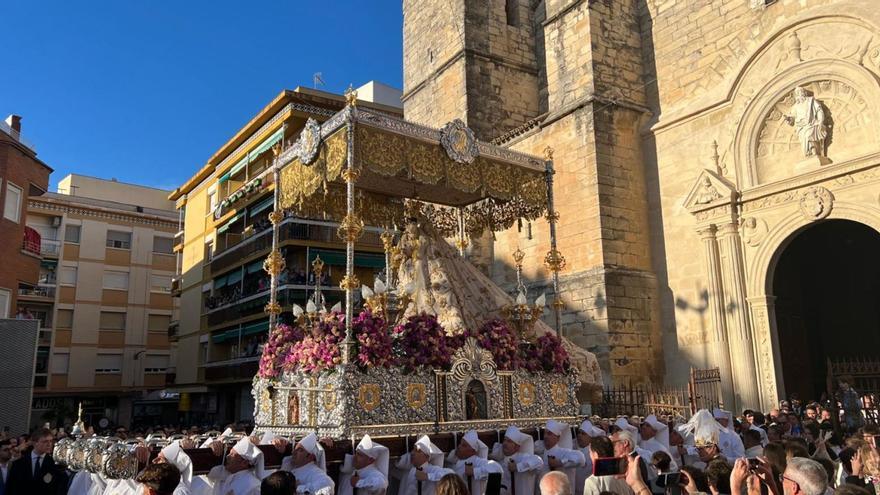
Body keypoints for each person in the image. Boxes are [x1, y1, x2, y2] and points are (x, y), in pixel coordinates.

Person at [6, 428, 68, 495]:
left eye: (51, 441)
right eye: (45, 441)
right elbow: (11, 488)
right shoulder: (18, 464)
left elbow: (59, 489)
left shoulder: (55, 465)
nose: (49, 444)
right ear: (35, 443)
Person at [536, 420, 585, 491]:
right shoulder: (540, 453)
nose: (546, 436)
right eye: (545, 433)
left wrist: (559, 462)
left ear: (558, 437)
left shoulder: (563, 452)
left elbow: (581, 459)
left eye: (549, 434)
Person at [450, 430, 502, 495]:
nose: (459, 447)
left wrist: (474, 471)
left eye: (464, 445)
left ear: (473, 451)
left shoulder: (477, 461)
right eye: (460, 444)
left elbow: (497, 468)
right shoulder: (456, 462)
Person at [494, 426, 543, 495]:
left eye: (509, 441)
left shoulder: (524, 457)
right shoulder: (499, 464)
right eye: (504, 440)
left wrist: (517, 467)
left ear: (517, 447)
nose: (505, 443)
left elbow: (539, 461)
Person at [575, 421, 605, 495]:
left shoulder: (594, 453)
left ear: (590, 437)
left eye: (583, 434)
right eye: (579, 433)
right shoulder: (574, 449)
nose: (579, 435)